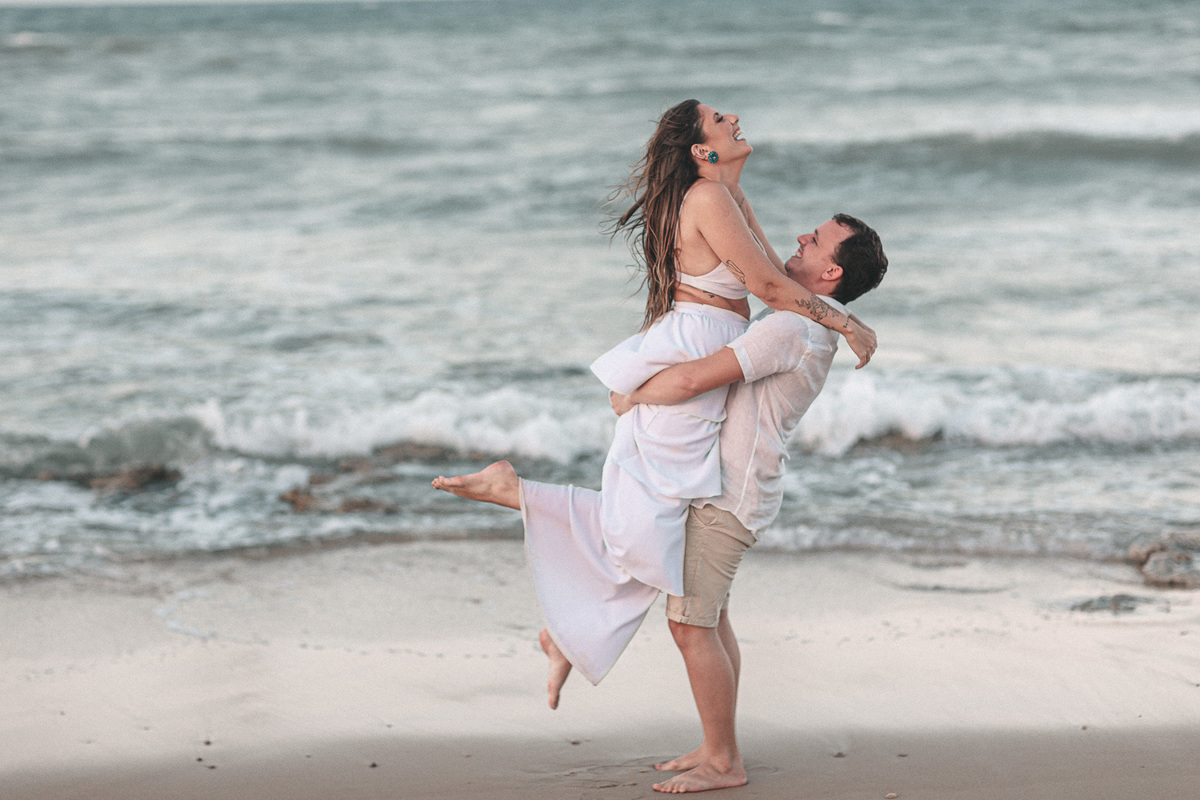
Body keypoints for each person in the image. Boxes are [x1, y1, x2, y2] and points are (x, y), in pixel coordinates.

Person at [433, 213, 887, 792]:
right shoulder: (804, 322)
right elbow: (758, 260)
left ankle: (724, 761)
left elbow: (698, 377)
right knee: (706, 613)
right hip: (727, 489)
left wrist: (632, 394)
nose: (800, 237)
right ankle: (714, 743)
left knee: (689, 625)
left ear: (829, 270)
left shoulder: (790, 330)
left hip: (728, 499)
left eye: (815, 239)